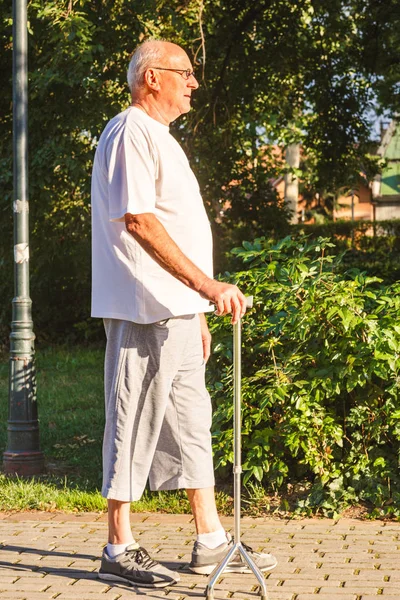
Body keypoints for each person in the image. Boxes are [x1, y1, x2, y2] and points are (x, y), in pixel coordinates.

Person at [91, 39, 277, 589]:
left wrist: (196, 307)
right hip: (145, 308)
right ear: (152, 78)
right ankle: (118, 544)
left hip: (176, 310)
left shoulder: (161, 137)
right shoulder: (131, 131)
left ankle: (210, 539)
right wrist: (207, 284)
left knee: (192, 425)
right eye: (186, 73)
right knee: (133, 420)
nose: (194, 83)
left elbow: (171, 224)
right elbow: (140, 220)